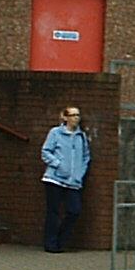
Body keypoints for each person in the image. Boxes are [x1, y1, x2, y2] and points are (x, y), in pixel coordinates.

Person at [41, 105, 91, 253]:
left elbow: (85, 157)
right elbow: (45, 152)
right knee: (53, 212)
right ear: (65, 117)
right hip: (55, 179)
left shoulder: (81, 136)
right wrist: (58, 165)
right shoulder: (55, 133)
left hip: (73, 182)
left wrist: (79, 174)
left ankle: (61, 240)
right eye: (73, 115)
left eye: (78, 115)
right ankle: (51, 244)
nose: (76, 118)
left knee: (74, 211)